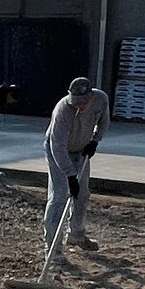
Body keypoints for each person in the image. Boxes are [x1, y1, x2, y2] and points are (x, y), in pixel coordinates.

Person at [44, 72, 110, 260]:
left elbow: (104, 122)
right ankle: (53, 250)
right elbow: (57, 147)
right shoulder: (63, 111)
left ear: (90, 96)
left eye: (83, 101)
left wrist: (95, 141)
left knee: (82, 194)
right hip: (58, 152)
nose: (79, 105)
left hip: (81, 150)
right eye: (76, 101)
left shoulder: (101, 99)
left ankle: (76, 234)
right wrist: (70, 176)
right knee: (58, 197)